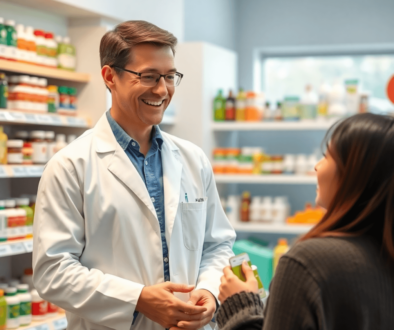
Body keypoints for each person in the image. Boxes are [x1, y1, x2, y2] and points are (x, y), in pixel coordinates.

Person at [32, 20, 236, 330]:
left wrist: (208, 290)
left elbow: (217, 244)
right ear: (110, 76)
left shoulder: (193, 159)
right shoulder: (70, 166)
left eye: (169, 77)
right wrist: (137, 298)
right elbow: (53, 271)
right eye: (149, 76)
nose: (162, 89)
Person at [216, 113, 394, 330]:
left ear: (356, 174)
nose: (317, 166)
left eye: (328, 156)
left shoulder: (308, 262)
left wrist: (240, 304)